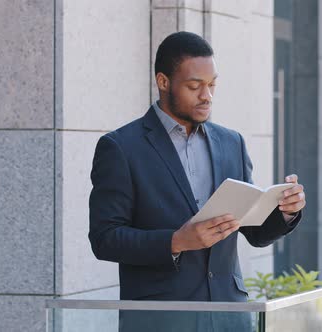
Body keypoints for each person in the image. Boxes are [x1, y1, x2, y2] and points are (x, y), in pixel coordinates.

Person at [88, 31, 306, 331]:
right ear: (163, 82)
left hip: (229, 318)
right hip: (161, 320)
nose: (207, 96)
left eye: (212, 85)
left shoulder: (232, 143)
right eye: (195, 86)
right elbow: (104, 239)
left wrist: (284, 211)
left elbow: (254, 232)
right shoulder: (121, 148)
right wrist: (177, 241)